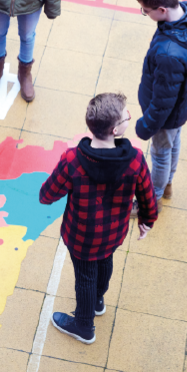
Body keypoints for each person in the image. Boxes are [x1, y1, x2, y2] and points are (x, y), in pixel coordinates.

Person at [39, 92, 157, 344]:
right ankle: (98, 300)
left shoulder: (73, 159)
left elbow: (48, 194)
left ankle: (83, 325)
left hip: (80, 235)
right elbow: (147, 194)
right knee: (105, 262)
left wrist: (48, 193)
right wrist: (148, 219)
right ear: (115, 130)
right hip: (113, 232)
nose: (129, 116)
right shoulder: (135, 159)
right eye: (127, 115)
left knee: (85, 275)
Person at [135, 0, 187, 206]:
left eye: (145, 11)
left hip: (167, 114)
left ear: (162, 10)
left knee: (160, 155)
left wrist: (145, 126)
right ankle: (167, 184)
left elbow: (161, 103)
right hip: (184, 103)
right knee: (173, 140)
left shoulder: (169, 53)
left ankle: (152, 200)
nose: (144, 13)